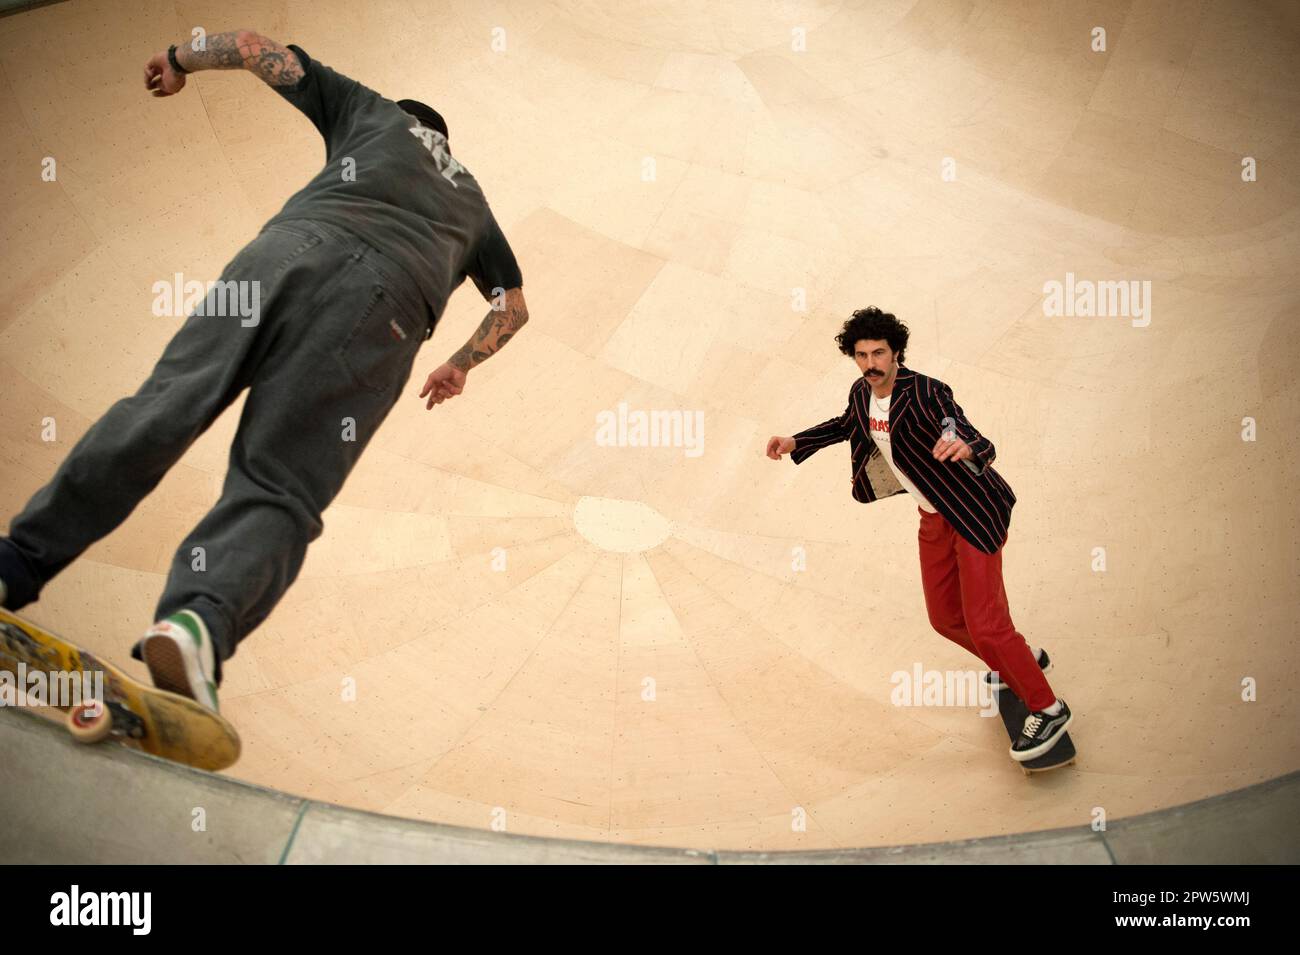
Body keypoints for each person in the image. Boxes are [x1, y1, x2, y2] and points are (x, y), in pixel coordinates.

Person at [0, 30, 528, 714]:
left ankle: (17, 563)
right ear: (447, 145)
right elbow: (512, 307)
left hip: (285, 255)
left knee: (165, 404)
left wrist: (177, 59)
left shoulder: (370, 112)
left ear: (406, 116)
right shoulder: (475, 204)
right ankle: (195, 624)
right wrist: (459, 363)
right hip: (386, 310)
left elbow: (252, 47)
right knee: (281, 484)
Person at [765, 307, 1072, 761]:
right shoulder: (861, 393)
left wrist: (969, 446)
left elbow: (961, 428)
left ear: (896, 353)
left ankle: (1047, 707)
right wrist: (796, 441)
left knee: (986, 625)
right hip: (932, 517)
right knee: (945, 618)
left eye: (879, 353)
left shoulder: (927, 392)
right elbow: (847, 424)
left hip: (972, 510)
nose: (871, 363)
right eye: (861, 354)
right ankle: (1020, 657)